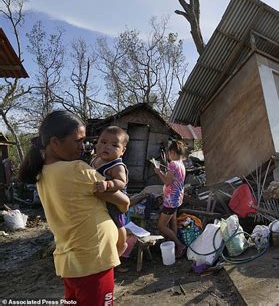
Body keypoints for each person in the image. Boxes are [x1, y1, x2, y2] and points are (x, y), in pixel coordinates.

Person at [18, 111, 129, 306]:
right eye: (78, 141)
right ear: (55, 142)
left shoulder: (43, 173)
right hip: (93, 260)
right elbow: (124, 202)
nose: (82, 146)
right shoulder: (77, 169)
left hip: (72, 261)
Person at [90, 126, 129, 265]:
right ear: (97, 143)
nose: (107, 147)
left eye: (114, 145)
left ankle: (122, 244)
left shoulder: (117, 165)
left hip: (114, 198)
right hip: (100, 199)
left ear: (122, 151)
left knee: (117, 222)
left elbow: (121, 182)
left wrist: (108, 185)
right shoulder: (96, 160)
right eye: (103, 142)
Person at [154, 140, 187, 258]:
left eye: (168, 153)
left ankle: (180, 246)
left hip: (170, 200)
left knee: (161, 226)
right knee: (173, 222)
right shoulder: (181, 164)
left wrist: (158, 172)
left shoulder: (173, 164)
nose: (168, 156)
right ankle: (175, 246)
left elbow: (167, 182)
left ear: (172, 152)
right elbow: (173, 180)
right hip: (177, 198)